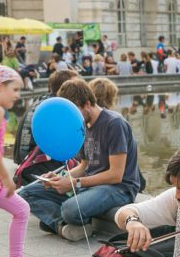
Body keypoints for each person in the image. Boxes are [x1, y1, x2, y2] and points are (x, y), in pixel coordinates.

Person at [19, 79, 140, 241]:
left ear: (87, 104)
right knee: (26, 193)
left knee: (70, 209)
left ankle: (61, 223)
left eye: (73, 112)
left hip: (118, 189)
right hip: (90, 185)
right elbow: (84, 165)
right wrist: (61, 178)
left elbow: (115, 175)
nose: (70, 120)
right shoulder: (81, 124)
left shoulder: (114, 123)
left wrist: (74, 183)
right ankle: (62, 226)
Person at [0, 66, 43, 257]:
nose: (18, 95)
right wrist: (6, 178)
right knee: (22, 209)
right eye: (15, 89)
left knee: (21, 209)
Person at [13, 69, 78, 179]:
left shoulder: (43, 101)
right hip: (35, 166)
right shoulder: (57, 107)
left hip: (25, 160)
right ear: (65, 87)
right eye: (76, 86)